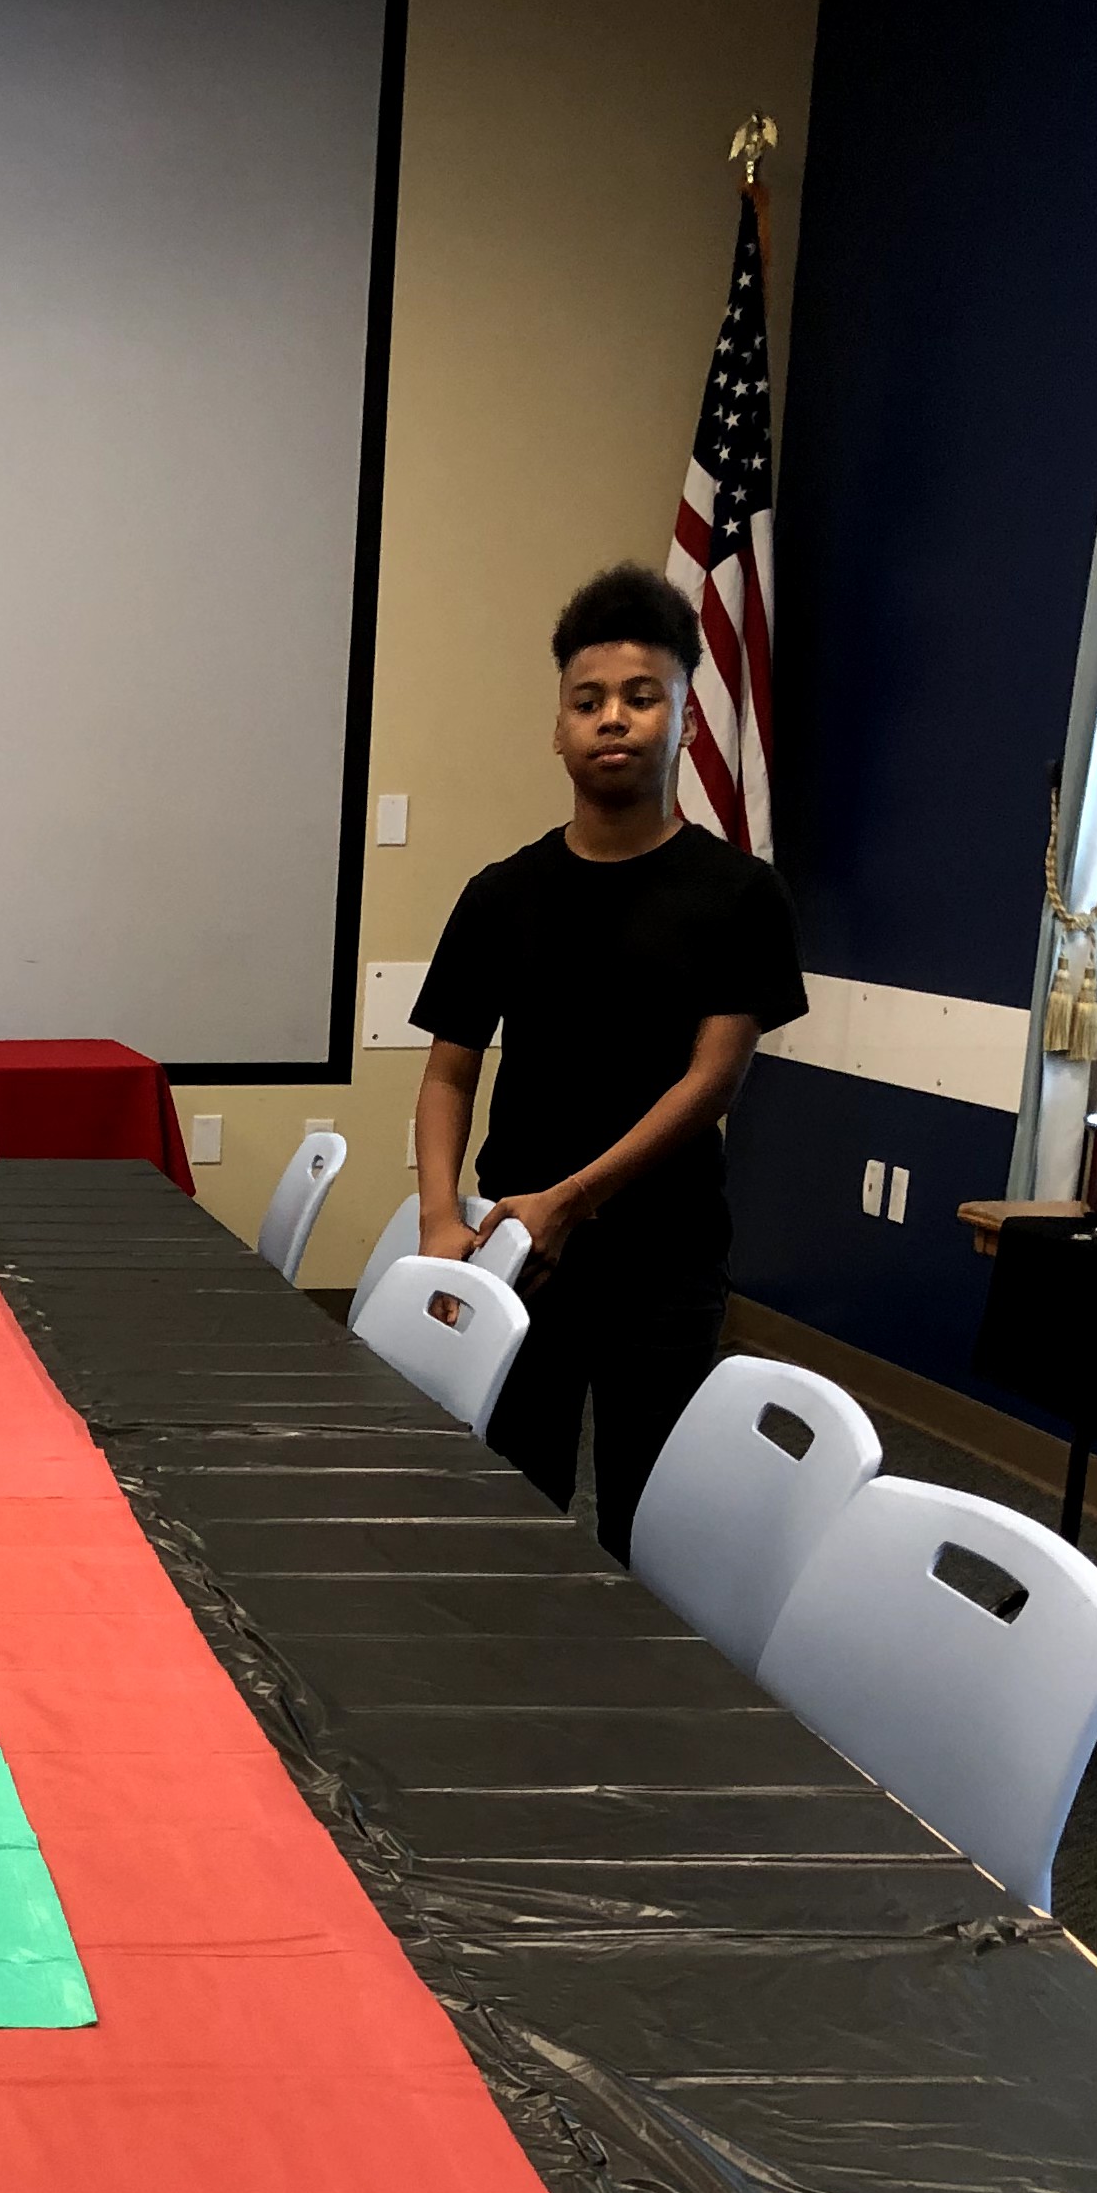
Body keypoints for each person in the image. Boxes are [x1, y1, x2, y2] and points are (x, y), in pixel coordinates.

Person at [410, 562, 806, 1561]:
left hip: (665, 1254)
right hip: (517, 1249)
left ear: (686, 719)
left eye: (641, 696)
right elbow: (449, 1073)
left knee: (649, 1520)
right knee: (511, 1507)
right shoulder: (501, 895)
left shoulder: (739, 896)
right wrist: (439, 1219)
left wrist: (575, 1199)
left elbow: (711, 1082)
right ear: (559, 728)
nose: (613, 719)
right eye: (587, 701)